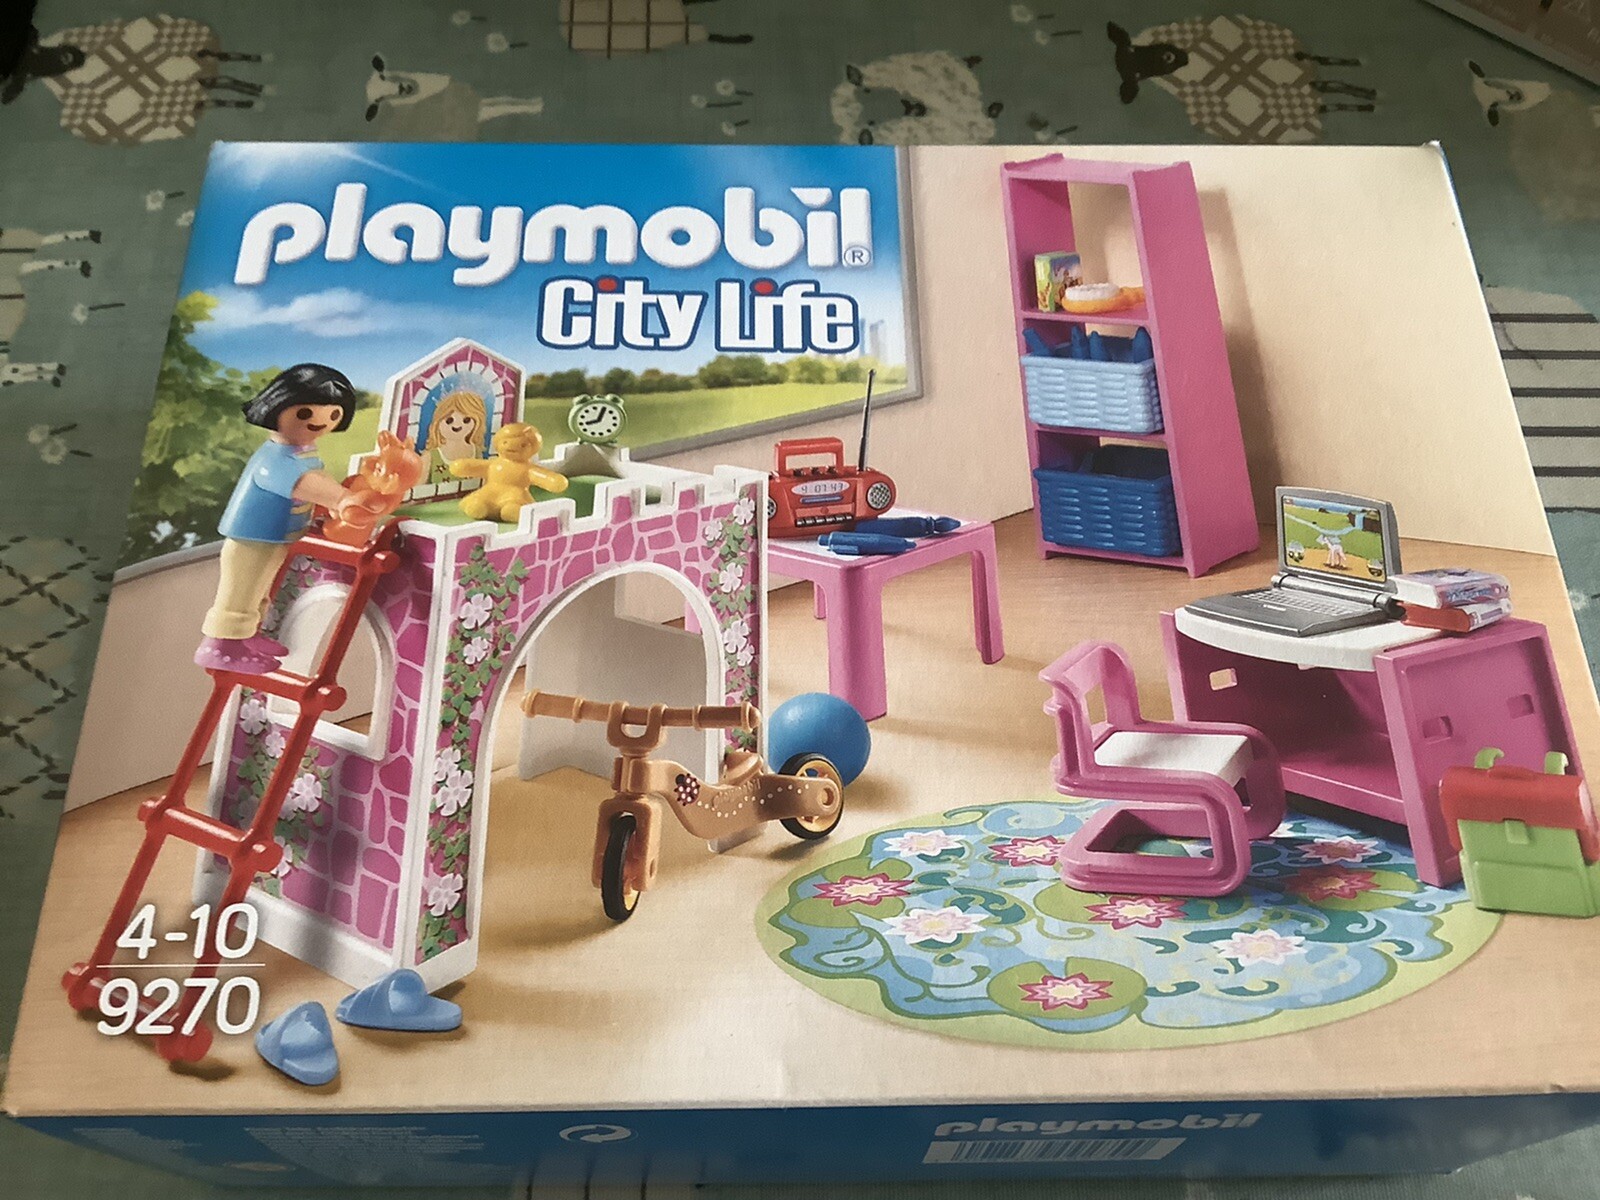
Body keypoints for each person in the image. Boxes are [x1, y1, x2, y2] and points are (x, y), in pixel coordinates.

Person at [195, 364, 360, 675]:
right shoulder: (275, 458)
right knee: (240, 592)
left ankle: (246, 636)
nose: (320, 422)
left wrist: (335, 499)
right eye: (304, 413)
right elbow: (302, 482)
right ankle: (219, 646)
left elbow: (315, 476)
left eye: (333, 414)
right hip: (251, 537)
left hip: (273, 537)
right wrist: (341, 499)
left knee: (259, 588)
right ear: (276, 406)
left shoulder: (302, 451)